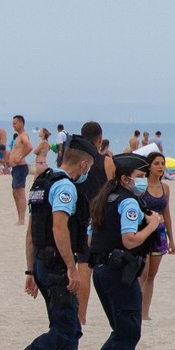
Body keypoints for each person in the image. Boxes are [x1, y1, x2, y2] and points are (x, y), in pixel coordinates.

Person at [0, 137, 104, 350]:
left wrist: (30, 270)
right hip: (56, 267)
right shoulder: (65, 187)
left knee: (68, 327)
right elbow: (58, 228)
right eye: (89, 167)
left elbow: (31, 232)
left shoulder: (41, 182)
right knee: (66, 329)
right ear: (85, 163)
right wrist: (70, 267)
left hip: (42, 264)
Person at [79, 153, 163, 350]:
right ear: (126, 178)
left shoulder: (105, 199)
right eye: (139, 177)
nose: (142, 181)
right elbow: (129, 240)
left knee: (122, 329)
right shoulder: (128, 203)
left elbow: (91, 237)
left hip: (103, 271)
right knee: (130, 331)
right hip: (118, 274)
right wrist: (152, 225)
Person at [73, 121, 115, 326]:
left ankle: (79, 315)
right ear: (100, 139)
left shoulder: (76, 161)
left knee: (77, 267)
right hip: (97, 219)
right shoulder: (104, 161)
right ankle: (82, 316)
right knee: (87, 269)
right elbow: (114, 191)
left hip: (75, 217)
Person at [138, 151, 175, 320]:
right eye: (157, 164)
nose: (161, 167)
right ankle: (136, 310)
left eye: (162, 164)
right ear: (149, 167)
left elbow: (166, 214)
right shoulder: (141, 186)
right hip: (144, 232)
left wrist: (172, 240)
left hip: (160, 233)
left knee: (152, 275)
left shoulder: (165, 188)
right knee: (142, 274)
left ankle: (145, 313)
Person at [8, 115, 33, 226]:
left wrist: (20, 157)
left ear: (21, 123)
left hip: (20, 167)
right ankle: (19, 217)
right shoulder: (18, 137)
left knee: (20, 192)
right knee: (15, 193)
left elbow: (29, 147)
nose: (13, 125)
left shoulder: (23, 136)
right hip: (15, 168)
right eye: (12, 123)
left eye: (15, 123)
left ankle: (22, 219)